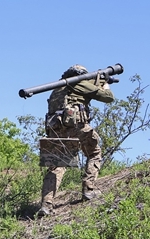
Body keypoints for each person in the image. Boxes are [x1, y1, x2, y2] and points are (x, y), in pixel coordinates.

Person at [38, 65, 114, 217]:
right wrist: (105, 83)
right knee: (94, 153)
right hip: (76, 126)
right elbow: (108, 97)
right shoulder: (78, 83)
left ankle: (46, 205)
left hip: (56, 130)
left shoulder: (58, 89)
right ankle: (89, 189)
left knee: (57, 165)